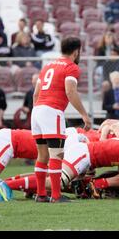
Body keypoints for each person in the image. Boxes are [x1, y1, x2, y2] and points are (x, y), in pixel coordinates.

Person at [31, 37, 91, 203]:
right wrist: (84, 115)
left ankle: (41, 194)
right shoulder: (71, 67)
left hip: (37, 111)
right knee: (56, 155)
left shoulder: (48, 66)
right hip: (52, 111)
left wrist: (39, 111)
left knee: (42, 155)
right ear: (76, 51)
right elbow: (70, 92)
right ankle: (56, 196)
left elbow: (36, 94)